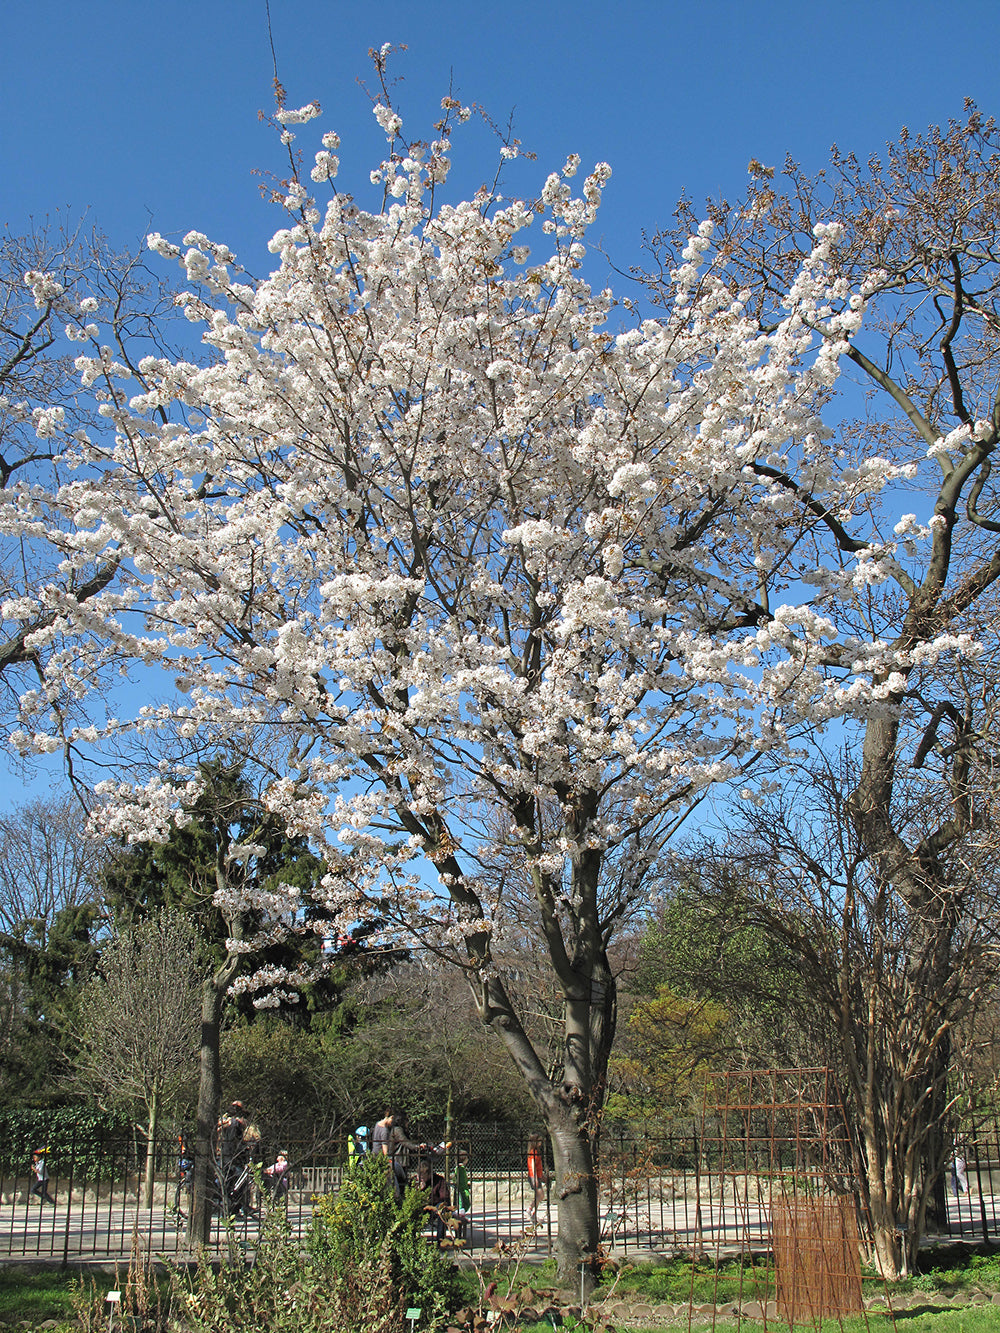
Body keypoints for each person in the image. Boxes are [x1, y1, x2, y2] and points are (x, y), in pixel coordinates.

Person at [416, 1160, 451, 1244]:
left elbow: (444, 1197)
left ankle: (440, 1240)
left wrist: (431, 1200)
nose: (420, 1178)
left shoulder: (439, 1180)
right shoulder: (416, 1181)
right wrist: (419, 1190)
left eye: (423, 1176)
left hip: (434, 1208)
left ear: (429, 1174)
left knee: (442, 1209)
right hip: (420, 1208)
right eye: (419, 1175)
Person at [526, 1135, 547, 1221]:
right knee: (541, 1195)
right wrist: (534, 1178)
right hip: (533, 1176)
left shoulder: (537, 1151)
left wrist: (542, 1176)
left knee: (539, 1195)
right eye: (539, 1141)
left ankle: (534, 1213)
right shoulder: (532, 1152)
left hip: (538, 1176)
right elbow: (532, 1165)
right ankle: (529, 1210)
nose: (540, 1143)